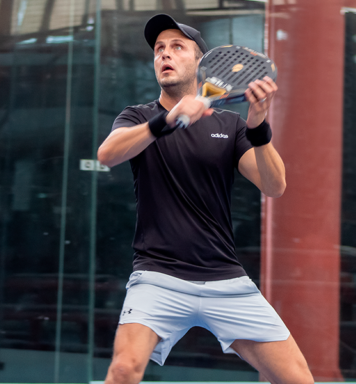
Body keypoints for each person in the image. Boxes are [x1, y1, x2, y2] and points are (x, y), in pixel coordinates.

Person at [97, 14, 314, 384]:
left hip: (224, 278)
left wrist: (258, 125)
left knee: (297, 379)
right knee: (122, 370)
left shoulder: (230, 125)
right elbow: (108, 154)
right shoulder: (138, 117)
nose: (164, 54)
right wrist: (168, 121)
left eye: (177, 47)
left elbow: (274, 185)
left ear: (201, 64)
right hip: (157, 276)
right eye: (159, 50)